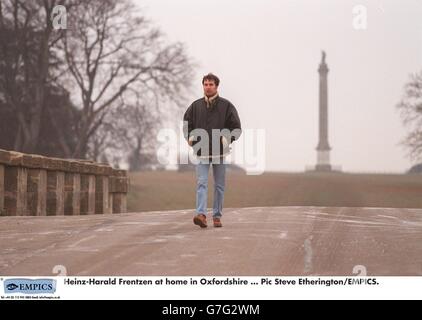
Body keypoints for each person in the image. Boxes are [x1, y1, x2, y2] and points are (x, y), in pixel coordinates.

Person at [183, 73, 242, 228]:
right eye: (205, 84)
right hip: (201, 151)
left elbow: (237, 128)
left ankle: (217, 216)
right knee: (201, 183)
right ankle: (201, 215)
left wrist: (227, 138)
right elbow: (186, 124)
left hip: (220, 152)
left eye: (211, 84)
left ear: (216, 86)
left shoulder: (226, 106)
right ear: (203, 86)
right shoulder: (195, 106)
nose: (208, 87)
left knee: (219, 185)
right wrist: (190, 137)